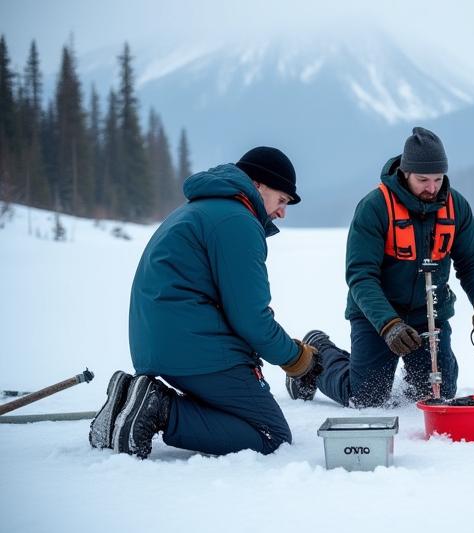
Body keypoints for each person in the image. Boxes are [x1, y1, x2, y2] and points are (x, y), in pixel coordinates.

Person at [88, 147, 318, 458]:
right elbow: (251, 318)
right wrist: (296, 358)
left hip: (161, 343)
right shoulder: (237, 222)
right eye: (282, 200)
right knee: (271, 435)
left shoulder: (200, 210)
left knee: (240, 414)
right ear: (258, 185)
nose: (282, 213)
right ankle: (157, 409)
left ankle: (131, 399)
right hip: (194, 348)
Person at [286, 127, 474, 407]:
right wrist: (389, 325)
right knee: (365, 398)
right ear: (405, 173)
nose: (432, 188)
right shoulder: (375, 207)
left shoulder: (455, 205)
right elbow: (361, 277)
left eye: (438, 179)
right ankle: (319, 352)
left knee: (439, 396)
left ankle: (408, 373)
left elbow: (472, 262)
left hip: (429, 317)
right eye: (423, 179)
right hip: (376, 317)